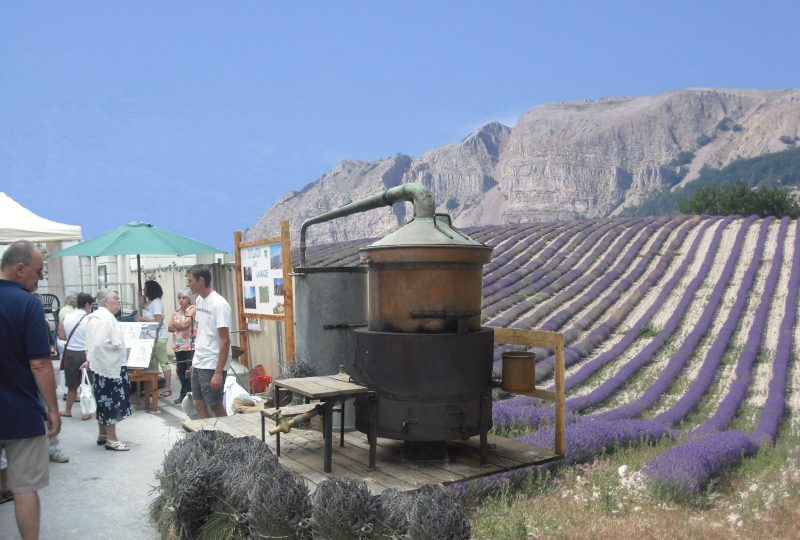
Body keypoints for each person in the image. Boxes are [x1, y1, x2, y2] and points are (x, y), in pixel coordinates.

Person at [0, 240, 61, 540]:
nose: (40, 279)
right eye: (38, 272)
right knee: (25, 489)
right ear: (20, 269)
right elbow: (40, 364)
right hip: (21, 413)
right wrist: (53, 408)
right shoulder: (28, 304)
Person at [84, 288, 131, 451]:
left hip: (100, 366)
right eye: (116, 298)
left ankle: (103, 434)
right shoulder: (105, 318)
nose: (119, 301)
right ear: (105, 301)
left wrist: (90, 359)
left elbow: (91, 344)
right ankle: (112, 438)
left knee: (102, 400)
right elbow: (99, 344)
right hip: (110, 367)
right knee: (111, 401)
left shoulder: (96, 316)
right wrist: (111, 354)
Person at [186, 265, 232, 419]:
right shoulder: (199, 300)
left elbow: (225, 341)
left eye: (190, 280)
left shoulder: (219, 304)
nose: (188, 284)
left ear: (201, 281)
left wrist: (218, 372)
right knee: (198, 403)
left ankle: (230, 438)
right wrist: (195, 361)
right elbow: (202, 331)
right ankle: (206, 439)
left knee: (214, 404)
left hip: (213, 362)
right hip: (199, 360)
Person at [57, 293, 95, 420]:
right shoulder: (90, 319)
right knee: (86, 385)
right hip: (85, 354)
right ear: (87, 304)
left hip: (70, 354)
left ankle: (67, 410)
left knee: (71, 386)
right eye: (91, 305)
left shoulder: (67, 317)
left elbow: (61, 336)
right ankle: (86, 412)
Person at [135, 280, 171, 398]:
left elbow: (158, 321)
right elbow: (141, 304)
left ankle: (167, 388)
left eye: (146, 289)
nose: (144, 291)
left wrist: (142, 320)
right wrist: (142, 295)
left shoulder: (156, 303)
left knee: (163, 362)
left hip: (159, 337)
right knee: (153, 363)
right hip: (151, 337)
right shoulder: (150, 302)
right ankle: (153, 388)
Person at [168, 288, 196, 405]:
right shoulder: (177, 311)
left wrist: (177, 325)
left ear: (189, 298)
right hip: (178, 345)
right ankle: (186, 393)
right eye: (179, 298)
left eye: (183, 298)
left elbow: (185, 325)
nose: (181, 300)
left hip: (189, 345)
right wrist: (178, 326)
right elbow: (169, 327)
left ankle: (185, 394)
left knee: (188, 370)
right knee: (180, 370)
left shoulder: (192, 309)